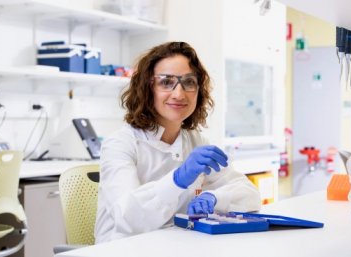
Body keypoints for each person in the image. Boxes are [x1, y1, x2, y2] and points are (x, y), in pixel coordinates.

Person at [94, 41, 261, 243]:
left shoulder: (196, 141)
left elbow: (249, 195)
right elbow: (128, 219)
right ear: (147, 89)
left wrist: (217, 198)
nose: (179, 94)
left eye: (189, 82)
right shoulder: (120, 144)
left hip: (175, 246)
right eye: (166, 82)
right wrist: (177, 180)